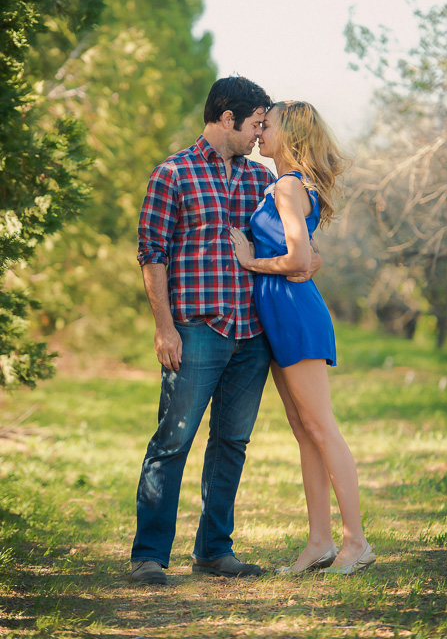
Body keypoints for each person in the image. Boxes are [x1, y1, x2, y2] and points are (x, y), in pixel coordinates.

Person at [130, 78, 321, 586]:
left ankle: (214, 550)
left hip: (251, 333)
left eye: (266, 124)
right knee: (173, 441)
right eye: (256, 122)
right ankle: (149, 555)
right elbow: (152, 254)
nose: (261, 133)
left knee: (232, 442)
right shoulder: (173, 174)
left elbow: (292, 240)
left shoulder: (262, 179)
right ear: (228, 119)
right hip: (196, 330)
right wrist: (164, 328)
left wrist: (310, 259)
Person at [230, 101, 375, 576]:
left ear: (288, 134)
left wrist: (251, 262)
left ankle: (356, 542)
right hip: (279, 311)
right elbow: (308, 256)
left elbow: (295, 259)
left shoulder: (288, 185)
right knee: (303, 429)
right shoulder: (285, 185)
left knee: (321, 427)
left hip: (293, 314)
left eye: (266, 125)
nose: (259, 133)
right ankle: (319, 542)